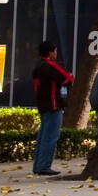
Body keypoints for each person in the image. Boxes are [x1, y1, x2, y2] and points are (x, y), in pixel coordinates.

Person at [32, 41, 74, 176]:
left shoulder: (38, 66)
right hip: (53, 104)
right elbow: (68, 78)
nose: (56, 53)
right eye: (55, 51)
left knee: (43, 136)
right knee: (51, 136)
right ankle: (44, 166)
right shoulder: (49, 65)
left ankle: (38, 165)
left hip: (43, 105)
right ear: (50, 52)